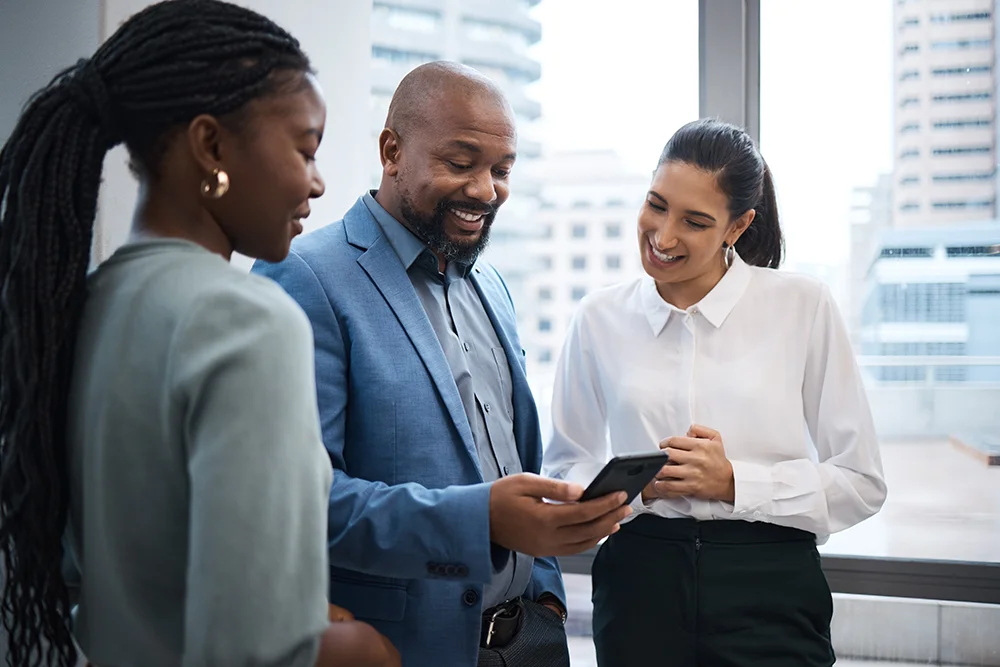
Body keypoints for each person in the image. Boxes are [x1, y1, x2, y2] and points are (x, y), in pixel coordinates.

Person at [0, 1, 400, 666]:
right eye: (305, 149)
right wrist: (357, 649)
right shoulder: (247, 321)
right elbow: (254, 649)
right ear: (211, 146)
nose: (317, 183)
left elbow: (109, 578)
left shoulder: (79, 308)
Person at [252, 61, 631, 667]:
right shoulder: (304, 278)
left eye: (501, 171)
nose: (486, 190)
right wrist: (482, 521)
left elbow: (515, 460)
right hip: (401, 650)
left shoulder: (494, 287)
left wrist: (547, 598)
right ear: (392, 150)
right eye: (460, 164)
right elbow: (299, 503)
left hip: (529, 643)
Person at [543, 118, 888, 667]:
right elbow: (565, 471)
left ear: (737, 226)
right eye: (656, 205)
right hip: (639, 588)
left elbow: (862, 482)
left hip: (772, 587)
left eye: (695, 221)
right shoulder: (599, 317)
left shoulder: (803, 306)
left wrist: (735, 482)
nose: (664, 236)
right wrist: (638, 492)